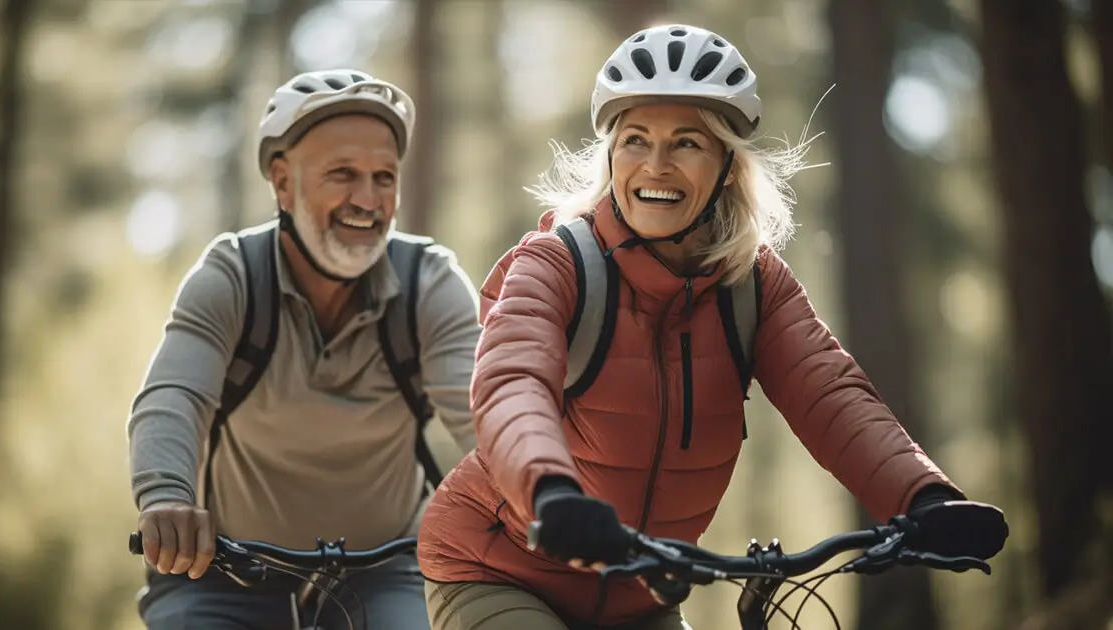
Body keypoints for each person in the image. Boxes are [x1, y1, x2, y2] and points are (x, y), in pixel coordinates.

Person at [415, 24, 1009, 630]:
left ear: (727, 166)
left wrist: (925, 498)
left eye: (687, 143)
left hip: (639, 594)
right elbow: (512, 381)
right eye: (635, 140)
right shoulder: (557, 262)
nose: (656, 165)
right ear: (611, 154)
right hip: (496, 566)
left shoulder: (751, 285)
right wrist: (551, 493)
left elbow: (832, 397)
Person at [127, 69, 481, 630]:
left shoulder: (428, 283)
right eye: (342, 173)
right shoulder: (233, 277)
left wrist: (542, 499)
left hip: (387, 569)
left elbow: (484, 411)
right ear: (282, 182)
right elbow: (174, 395)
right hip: (224, 569)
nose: (368, 199)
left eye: (384, 177)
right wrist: (166, 496)